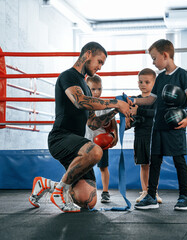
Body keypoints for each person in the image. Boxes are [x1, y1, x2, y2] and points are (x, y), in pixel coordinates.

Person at [28, 42, 130, 212]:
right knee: (96, 151)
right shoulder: (67, 76)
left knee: (87, 200)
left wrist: (115, 111)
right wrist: (115, 102)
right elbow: (79, 101)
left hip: (77, 143)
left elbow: (92, 123)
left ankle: (46, 184)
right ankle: (60, 191)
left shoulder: (86, 88)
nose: (100, 67)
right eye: (99, 62)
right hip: (60, 138)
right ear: (88, 54)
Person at [132, 39, 187, 210]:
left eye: (154, 58)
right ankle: (151, 195)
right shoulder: (159, 78)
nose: (153, 62)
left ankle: (184, 197)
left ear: (165, 55)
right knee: (155, 161)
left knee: (179, 161)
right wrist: (133, 100)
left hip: (175, 126)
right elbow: (151, 99)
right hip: (158, 126)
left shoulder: (182, 74)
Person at [125, 68, 162, 204]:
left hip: (153, 136)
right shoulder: (135, 100)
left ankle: (154, 192)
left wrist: (139, 110)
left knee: (154, 165)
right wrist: (129, 121)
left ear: (154, 83)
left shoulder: (155, 100)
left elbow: (155, 114)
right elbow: (134, 119)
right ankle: (145, 191)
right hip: (140, 135)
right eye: (141, 81)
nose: (143, 84)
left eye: (147, 82)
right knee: (143, 165)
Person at [85, 74, 118, 203]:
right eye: (93, 89)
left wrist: (115, 136)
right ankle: (88, 191)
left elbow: (113, 121)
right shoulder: (84, 105)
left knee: (103, 167)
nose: (96, 92)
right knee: (86, 167)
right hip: (87, 141)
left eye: (99, 89)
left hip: (101, 142)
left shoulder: (105, 105)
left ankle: (105, 191)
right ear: (87, 89)